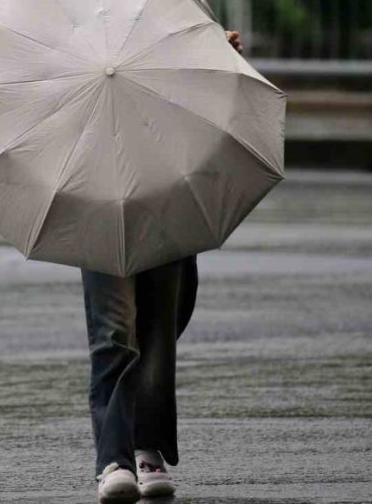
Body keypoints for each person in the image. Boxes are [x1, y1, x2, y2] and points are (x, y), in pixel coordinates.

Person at [91, 30, 244, 504]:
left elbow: (200, 107)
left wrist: (218, 62)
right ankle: (113, 460)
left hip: (165, 192)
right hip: (98, 198)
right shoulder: (77, 37)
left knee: (160, 327)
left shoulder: (162, 23)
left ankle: (145, 444)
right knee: (115, 331)